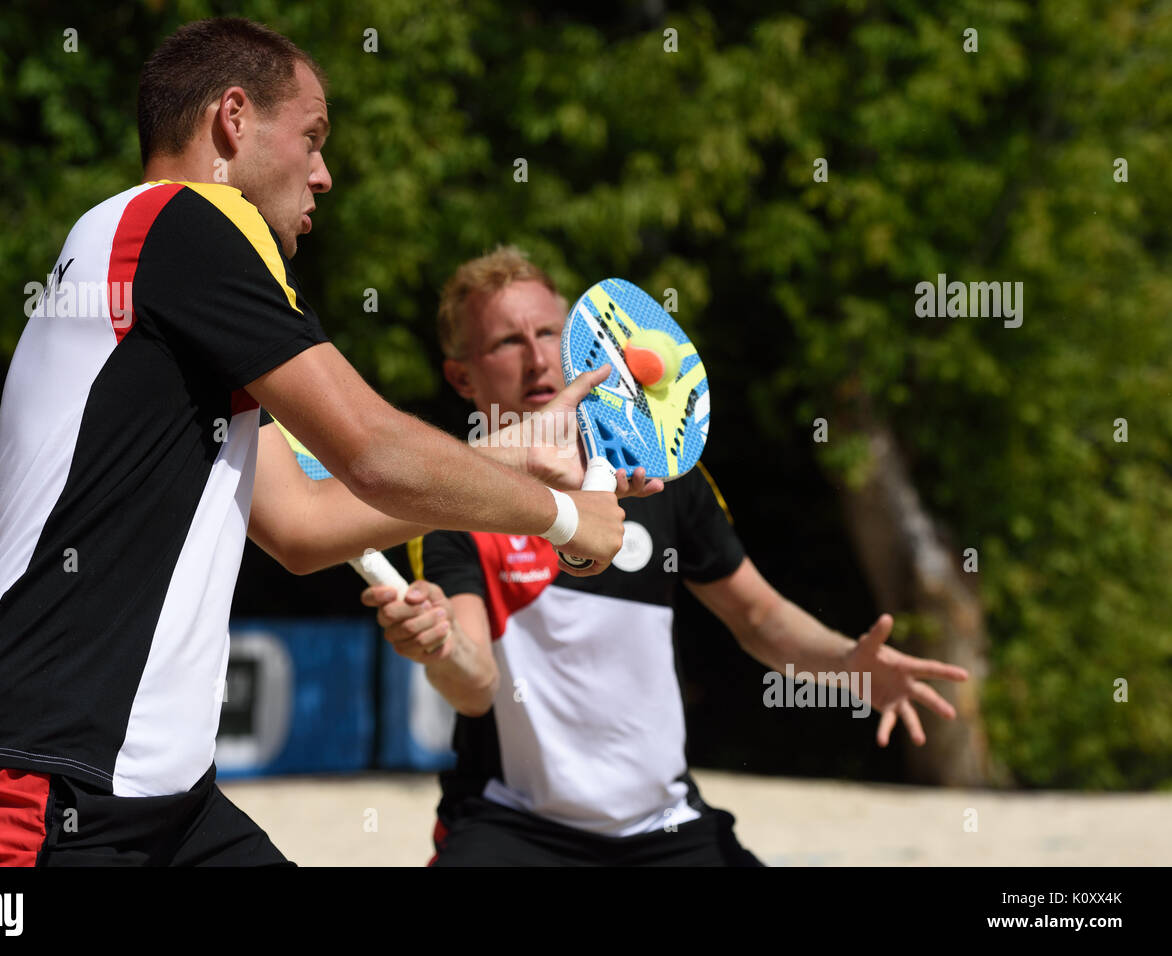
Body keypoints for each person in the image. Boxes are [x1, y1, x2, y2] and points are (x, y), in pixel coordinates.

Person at [0, 18, 632, 867]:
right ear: (232, 120)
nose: (325, 174)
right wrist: (564, 518)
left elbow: (304, 524)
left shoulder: (155, 265)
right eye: (312, 138)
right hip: (32, 771)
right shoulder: (189, 218)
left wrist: (517, 454)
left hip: (160, 795)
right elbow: (369, 448)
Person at [363, 246, 972, 866]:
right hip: (515, 825)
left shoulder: (659, 474)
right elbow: (474, 687)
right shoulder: (451, 505)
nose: (538, 355)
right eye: (505, 343)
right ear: (463, 377)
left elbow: (758, 617)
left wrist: (848, 663)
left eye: (548, 331)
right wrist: (438, 644)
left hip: (665, 828)